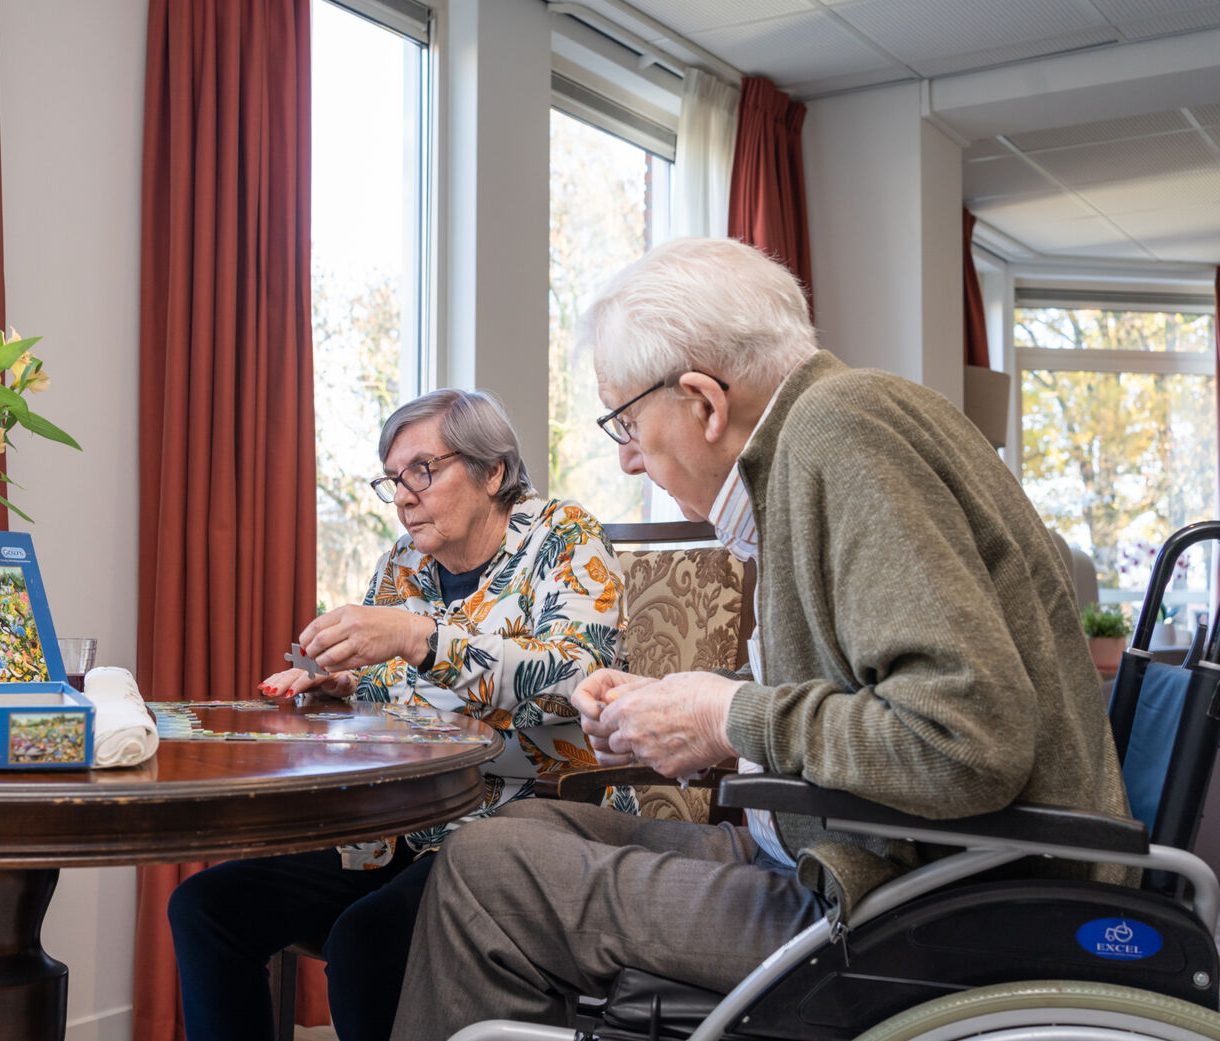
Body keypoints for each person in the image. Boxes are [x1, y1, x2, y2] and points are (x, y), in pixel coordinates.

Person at [389, 237, 1135, 1039]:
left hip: (921, 903)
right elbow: (868, 695)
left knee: (485, 872)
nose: (631, 459)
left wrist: (727, 716)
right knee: (519, 829)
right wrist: (682, 707)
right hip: (862, 860)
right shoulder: (831, 433)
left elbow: (965, 739)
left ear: (706, 402)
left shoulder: (844, 433)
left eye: (628, 422)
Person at [167, 388, 626, 1041]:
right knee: (206, 905)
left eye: (422, 471)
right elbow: (395, 688)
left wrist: (420, 637)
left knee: (365, 943)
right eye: (393, 480)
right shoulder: (401, 565)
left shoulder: (566, 539)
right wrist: (341, 686)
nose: (404, 495)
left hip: (524, 829)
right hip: (400, 826)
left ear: (492, 471)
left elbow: (579, 682)